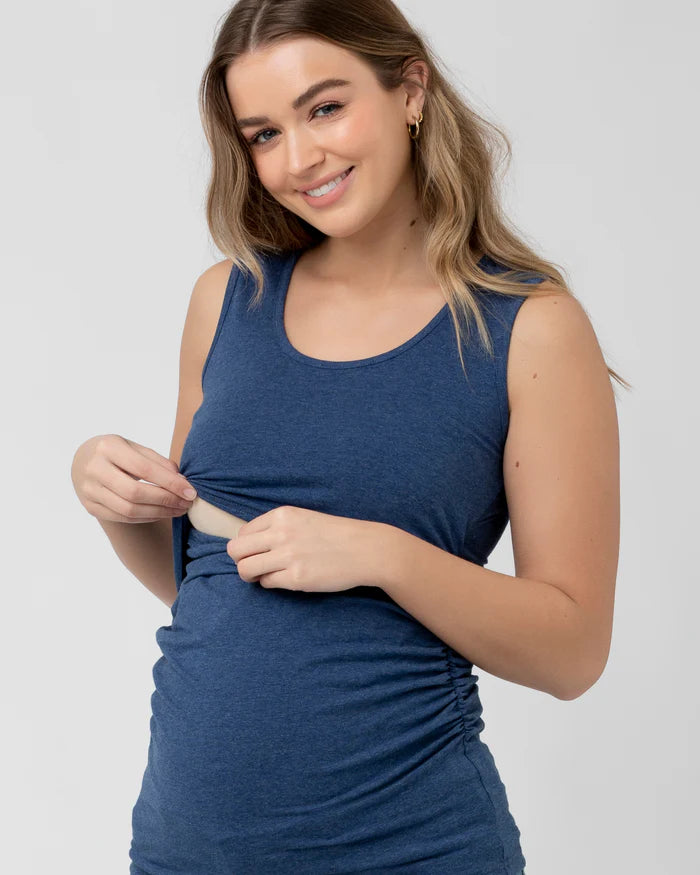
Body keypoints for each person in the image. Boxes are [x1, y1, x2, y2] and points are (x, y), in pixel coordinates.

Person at [71, 1, 626, 871]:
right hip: (185, 848)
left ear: (410, 88)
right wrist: (118, 504)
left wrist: (382, 554)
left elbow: (574, 649)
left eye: (325, 108)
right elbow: (203, 583)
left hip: (409, 847)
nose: (299, 160)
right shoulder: (226, 300)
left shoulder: (529, 329)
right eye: (262, 133)